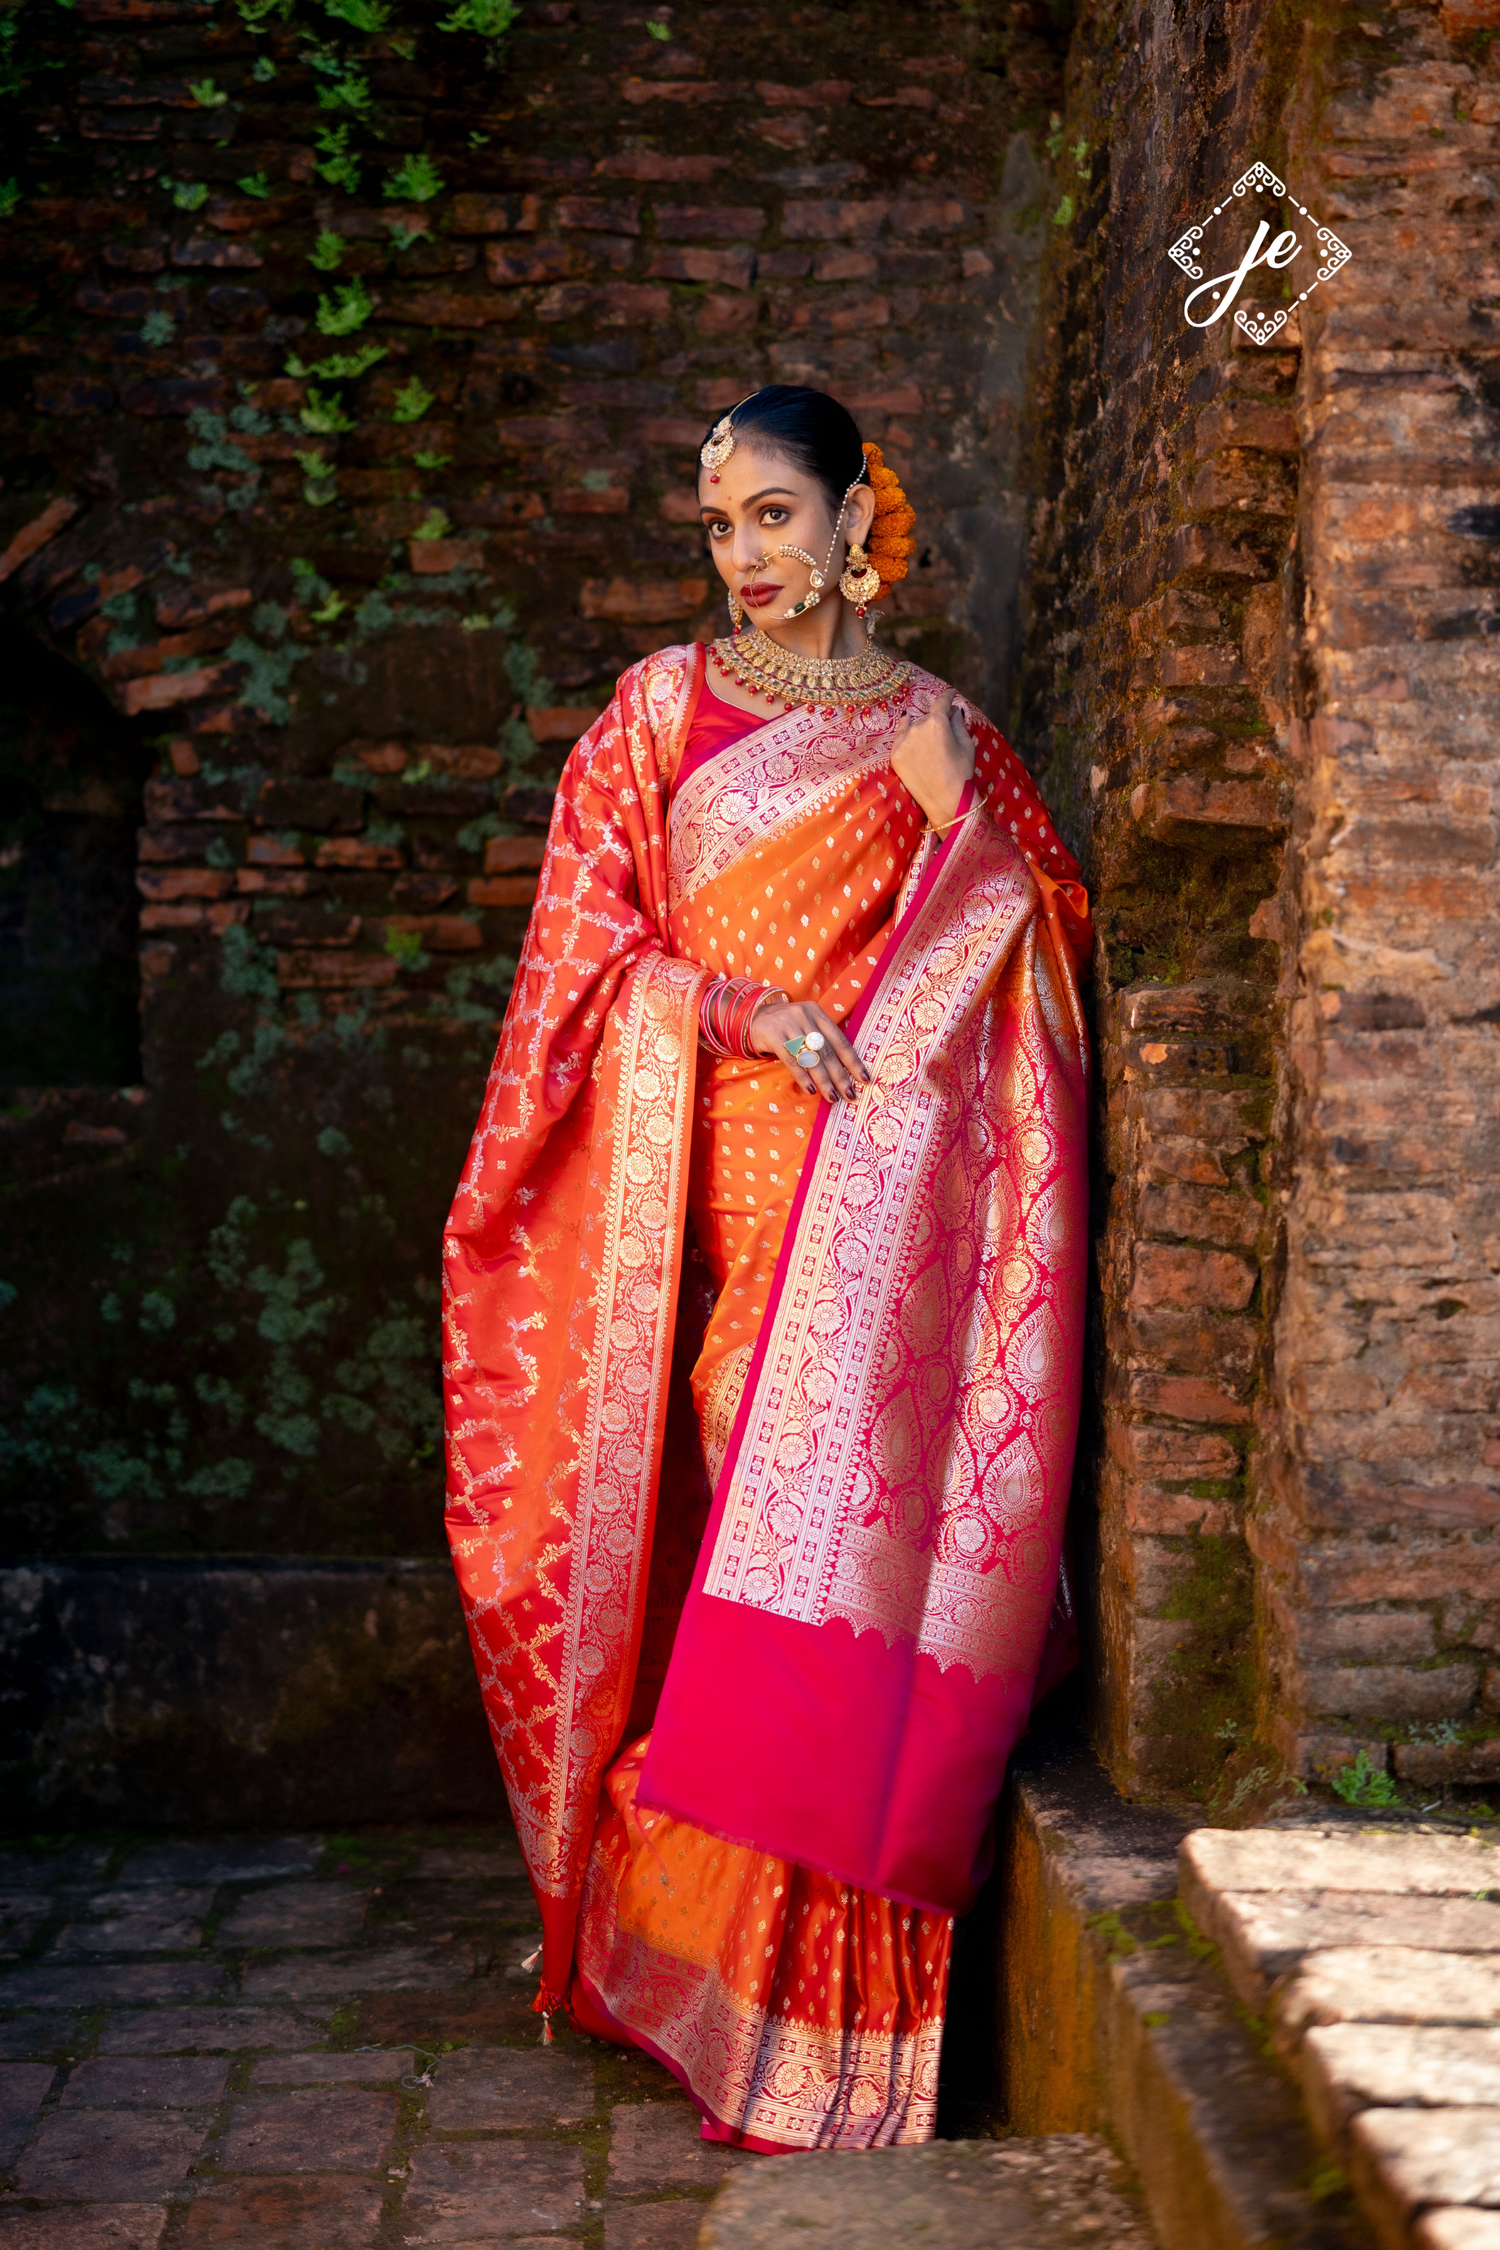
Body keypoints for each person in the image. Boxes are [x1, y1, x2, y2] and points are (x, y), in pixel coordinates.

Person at [443, 385, 1092, 2151]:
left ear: (857, 519)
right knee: (751, 1529)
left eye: (777, 518)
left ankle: (832, 2017)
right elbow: (583, 969)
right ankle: (705, 1967)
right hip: (722, 1177)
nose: (747, 560)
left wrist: (971, 834)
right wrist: (734, 1007)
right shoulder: (656, 714)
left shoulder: (935, 726)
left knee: (847, 1570)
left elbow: (1045, 954)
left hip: (882, 1205)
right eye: (721, 529)